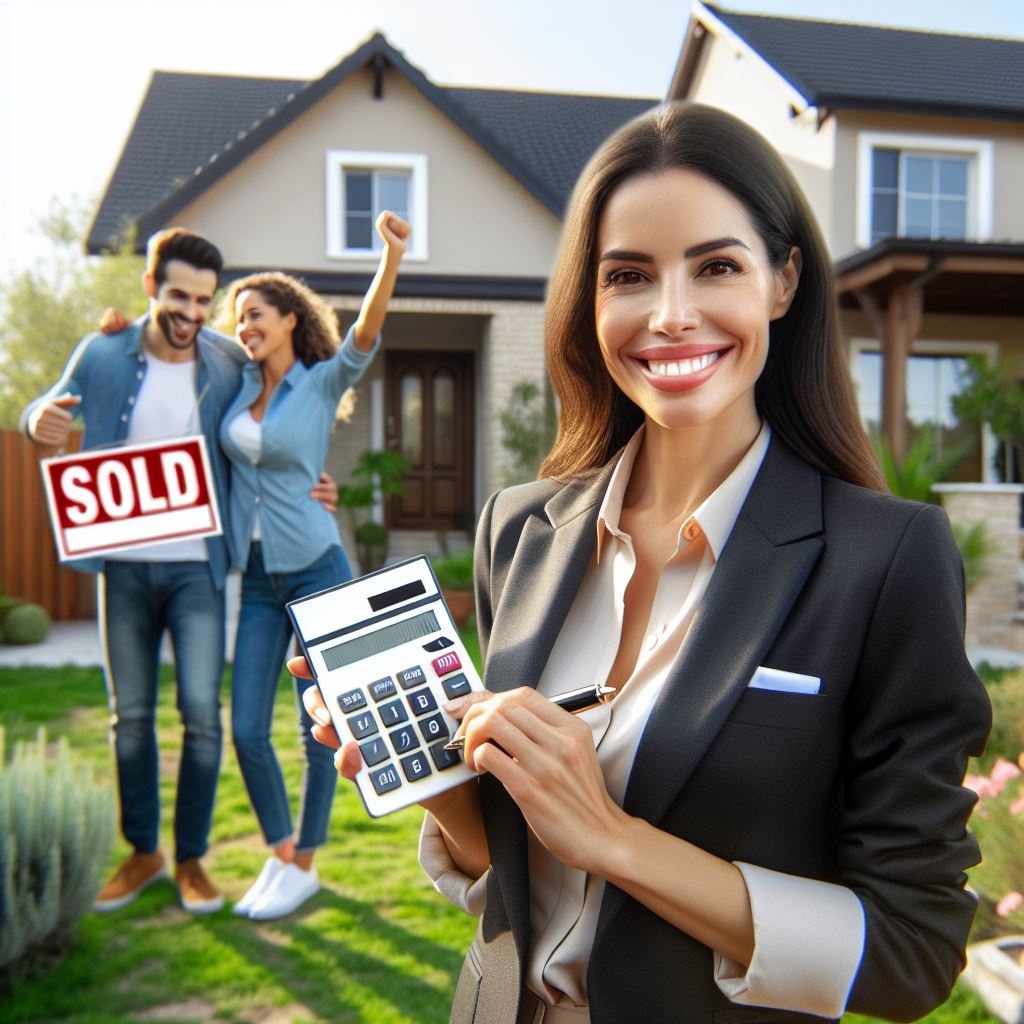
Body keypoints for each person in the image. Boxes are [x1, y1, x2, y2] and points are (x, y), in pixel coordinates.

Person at [295, 103, 992, 1024]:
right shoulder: (521, 528)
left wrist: (615, 840)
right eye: (628, 274)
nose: (670, 316)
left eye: (716, 266)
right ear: (590, 298)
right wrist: (445, 793)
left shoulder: (888, 558)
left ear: (783, 281)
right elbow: (516, 886)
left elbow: (911, 951)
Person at [21, 227, 337, 916]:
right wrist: (34, 418)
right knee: (129, 717)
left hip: (199, 570)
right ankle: (144, 853)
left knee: (202, 717)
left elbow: (279, 418)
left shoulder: (227, 359)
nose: (191, 312)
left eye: (203, 299)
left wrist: (311, 480)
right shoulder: (103, 352)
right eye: (177, 296)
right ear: (149, 289)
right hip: (122, 569)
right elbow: (46, 405)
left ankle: (192, 859)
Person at [219, 211, 409, 920]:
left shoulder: (324, 382)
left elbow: (365, 331)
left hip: (317, 568)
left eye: (255, 315)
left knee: (317, 725)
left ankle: (306, 858)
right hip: (260, 577)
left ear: (291, 319)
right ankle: (280, 852)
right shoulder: (236, 387)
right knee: (245, 726)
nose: (244, 327)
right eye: (238, 319)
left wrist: (389, 257)